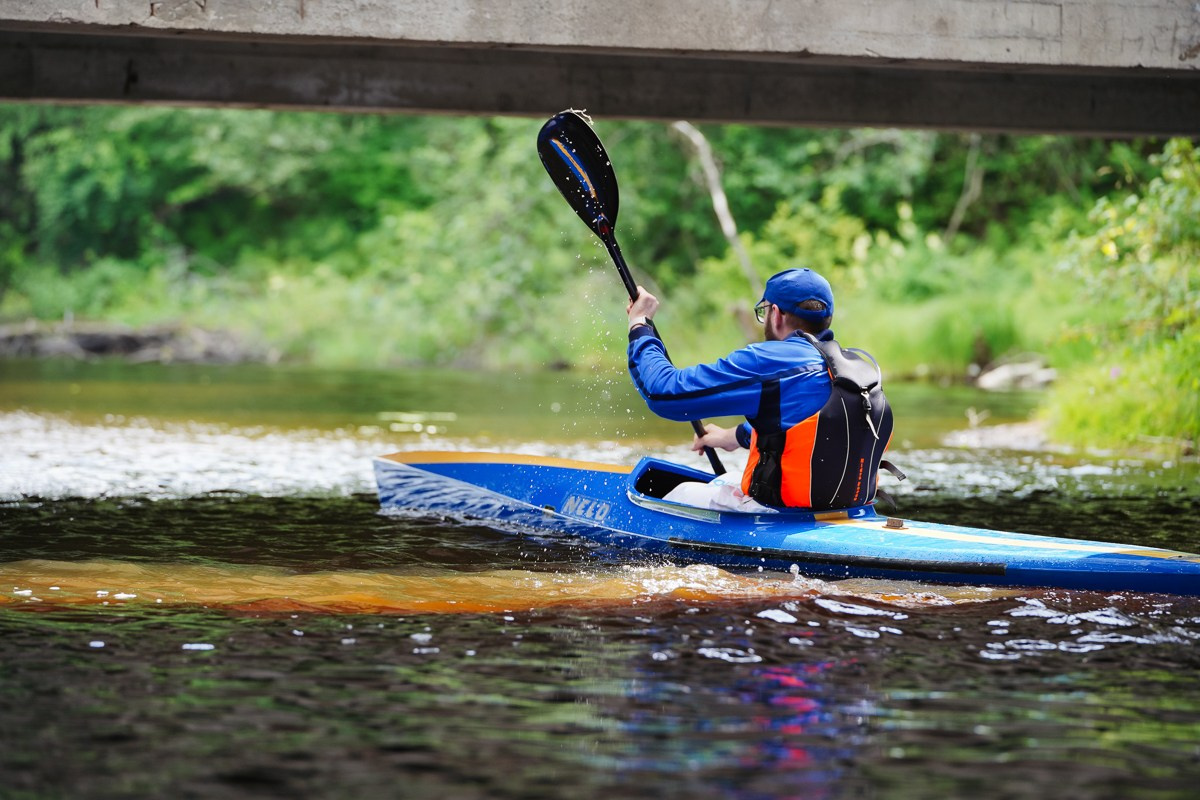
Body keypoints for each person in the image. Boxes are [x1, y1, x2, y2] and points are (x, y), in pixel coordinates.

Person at [626, 267, 894, 511]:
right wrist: (735, 436)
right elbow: (810, 426)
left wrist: (640, 325)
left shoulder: (767, 361)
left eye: (764, 311)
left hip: (779, 515)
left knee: (678, 493)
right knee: (726, 479)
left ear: (776, 314)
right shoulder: (849, 367)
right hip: (850, 511)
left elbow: (663, 392)